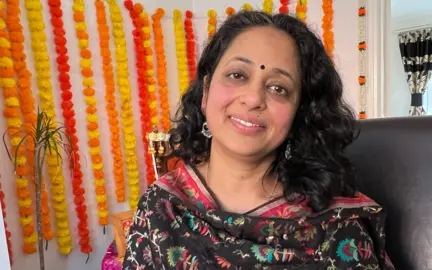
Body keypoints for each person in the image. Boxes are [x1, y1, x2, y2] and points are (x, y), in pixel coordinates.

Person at [123, 10, 395, 270]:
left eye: (278, 88)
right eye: (237, 75)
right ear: (205, 93)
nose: (253, 98)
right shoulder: (162, 206)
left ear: (298, 114)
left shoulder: (335, 227)